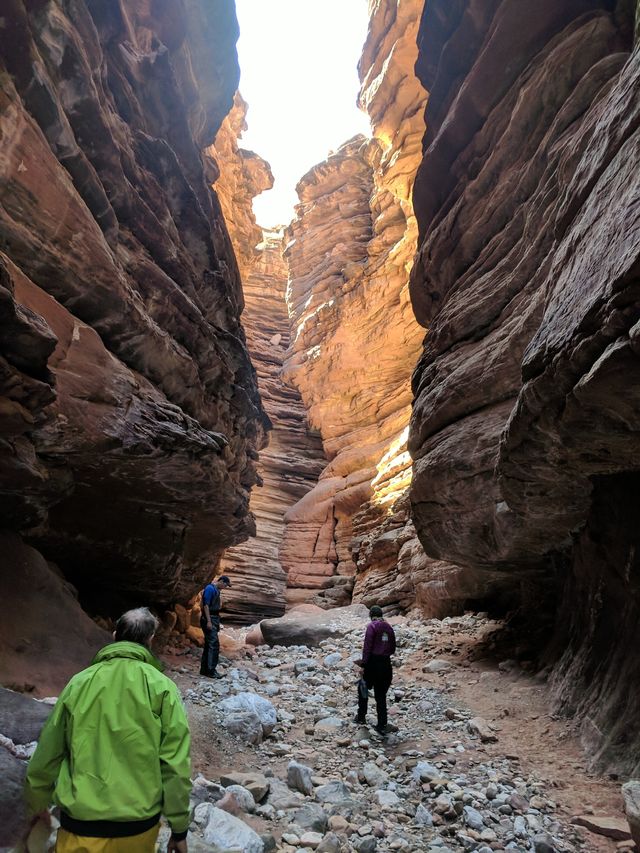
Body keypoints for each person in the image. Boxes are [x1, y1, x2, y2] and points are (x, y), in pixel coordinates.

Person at [24, 607, 191, 853]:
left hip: (80, 828)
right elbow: (175, 764)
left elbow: (47, 754)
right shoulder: (163, 688)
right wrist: (179, 829)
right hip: (138, 830)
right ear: (150, 640)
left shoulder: (79, 684)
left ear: (114, 636)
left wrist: (36, 807)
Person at [355, 605, 396, 734]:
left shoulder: (371, 626)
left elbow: (367, 646)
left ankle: (361, 716)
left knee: (363, 688)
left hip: (373, 662)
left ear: (371, 615)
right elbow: (393, 648)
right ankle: (382, 724)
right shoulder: (389, 627)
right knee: (380, 694)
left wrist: (363, 664)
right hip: (386, 664)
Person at [199, 574, 231, 678]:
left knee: (209, 644)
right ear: (221, 581)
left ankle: (204, 670)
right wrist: (208, 621)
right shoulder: (210, 588)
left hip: (214, 618)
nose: (225, 587)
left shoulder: (216, 590)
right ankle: (211, 671)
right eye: (225, 585)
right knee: (214, 645)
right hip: (209, 618)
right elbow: (206, 605)